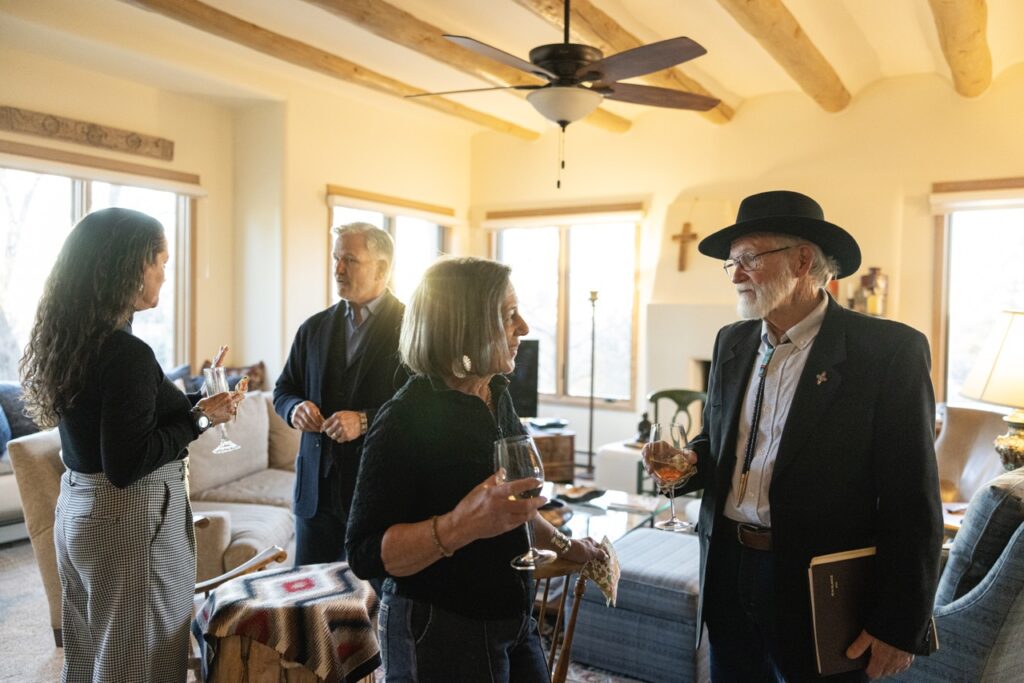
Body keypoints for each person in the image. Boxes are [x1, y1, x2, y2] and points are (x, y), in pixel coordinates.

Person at [669, 191, 942, 682]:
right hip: (726, 569)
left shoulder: (887, 353)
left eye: (749, 258)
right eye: (731, 263)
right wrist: (687, 461)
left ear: (801, 260)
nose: (735, 274)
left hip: (820, 583)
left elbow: (912, 498)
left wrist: (902, 625)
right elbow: (720, 443)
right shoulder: (731, 341)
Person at [346, 257, 606, 682]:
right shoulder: (404, 419)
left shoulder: (496, 393)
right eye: (508, 315)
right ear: (463, 326)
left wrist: (566, 546)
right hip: (440, 625)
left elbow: (516, 507)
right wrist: (460, 525)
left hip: (512, 615)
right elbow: (363, 552)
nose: (523, 326)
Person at [19, 207, 242, 683]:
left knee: (90, 657)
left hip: (79, 511)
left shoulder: (77, 340)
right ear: (128, 267)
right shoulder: (126, 353)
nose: (165, 272)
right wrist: (203, 417)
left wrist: (197, 404)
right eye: (160, 260)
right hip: (126, 523)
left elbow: (124, 418)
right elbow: (126, 462)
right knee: (139, 663)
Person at [274, 222, 405, 565]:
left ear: (382, 268)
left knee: (368, 606)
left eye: (350, 259)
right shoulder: (314, 328)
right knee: (308, 602)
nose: (338, 269)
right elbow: (283, 389)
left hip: (377, 495)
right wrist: (294, 408)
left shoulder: (411, 329)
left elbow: (424, 410)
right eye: (335, 258)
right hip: (314, 496)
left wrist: (365, 420)